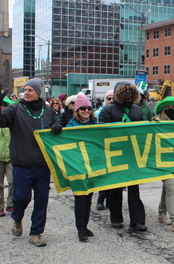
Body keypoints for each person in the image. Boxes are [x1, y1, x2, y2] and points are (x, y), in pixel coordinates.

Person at [0, 78, 60, 247]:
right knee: (21, 198)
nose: (26, 93)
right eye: (25, 90)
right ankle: (17, 218)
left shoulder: (48, 111)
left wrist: (57, 128)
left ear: (38, 92)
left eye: (30, 90)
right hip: (22, 164)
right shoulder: (15, 109)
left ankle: (36, 233)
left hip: (43, 165)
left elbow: (56, 125)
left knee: (42, 200)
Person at [99, 81, 147, 233]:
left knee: (134, 188)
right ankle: (116, 218)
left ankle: (137, 221)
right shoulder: (108, 110)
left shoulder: (137, 111)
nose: (128, 97)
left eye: (131, 94)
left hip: (132, 155)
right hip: (114, 155)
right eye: (125, 94)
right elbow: (102, 132)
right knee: (115, 189)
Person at [151, 97, 174, 231]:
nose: (171, 109)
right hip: (161, 161)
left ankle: (162, 213)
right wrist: (153, 123)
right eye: (167, 107)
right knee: (171, 187)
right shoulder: (156, 122)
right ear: (162, 109)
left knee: (168, 187)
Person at [66, 94, 98, 241]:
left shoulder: (96, 125)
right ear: (77, 110)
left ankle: (85, 226)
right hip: (77, 167)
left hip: (92, 167)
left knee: (89, 198)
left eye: (88, 108)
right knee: (80, 198)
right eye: (83, 108)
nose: (86, 111)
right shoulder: (70, 126)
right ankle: (80, 229)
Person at [94, 89, 114, 210]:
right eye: (108, 98)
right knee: (104, 175)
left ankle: (109, 201)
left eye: (113, 98)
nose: (111, 100)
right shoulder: (97, 113)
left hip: (113, 147)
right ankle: (100, 199)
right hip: (102, 147)